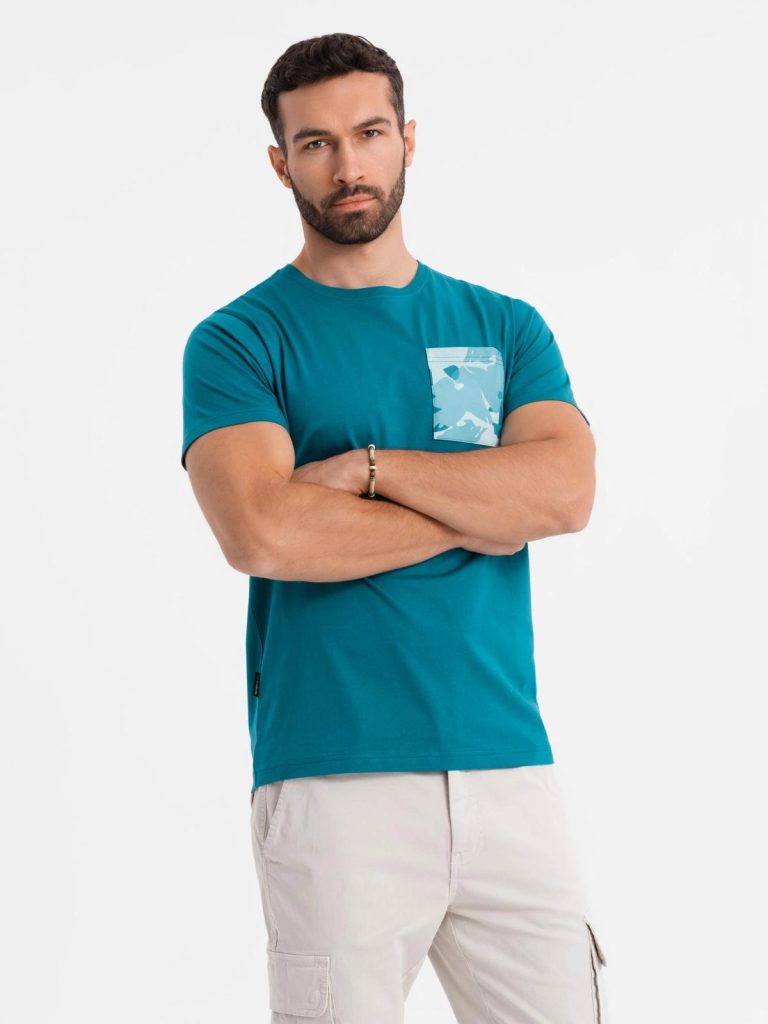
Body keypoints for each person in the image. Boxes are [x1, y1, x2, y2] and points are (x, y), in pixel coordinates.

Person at [181, 31, 609, 1024]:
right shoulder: (240, 340)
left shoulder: (505, 326)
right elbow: (263, 533)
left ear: (408, 139)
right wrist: (483, 511)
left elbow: (563, 495)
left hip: (509, 766)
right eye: (317, 143)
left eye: (370, 133)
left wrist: (370, 473)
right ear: (281, 162)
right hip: (336, 776)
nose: (349, 164)